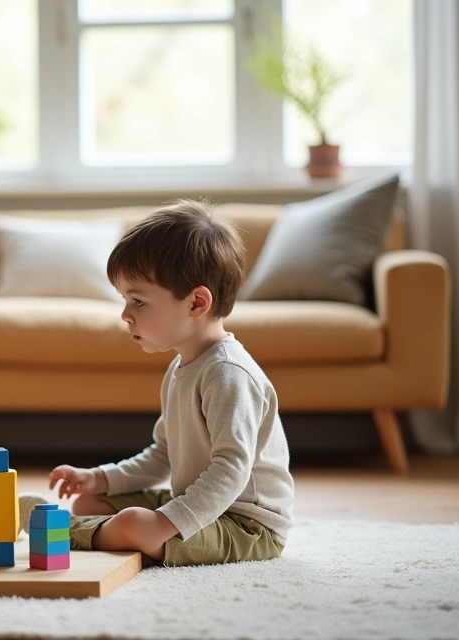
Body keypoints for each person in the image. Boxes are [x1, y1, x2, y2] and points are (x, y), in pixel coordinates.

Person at [47, 200, 295, 567]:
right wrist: (99, 478)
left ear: (196, 302)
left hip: (246, 525)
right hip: (205, 505)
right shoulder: (183, 365)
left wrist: (166, 522)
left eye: (138, 301)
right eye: (124, 300)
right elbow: (162, 455)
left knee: (133, 523)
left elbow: (232, 470)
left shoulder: (227, 374)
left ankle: (60, 531)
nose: (125, 315)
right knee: (91, 501)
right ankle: (93, 526)